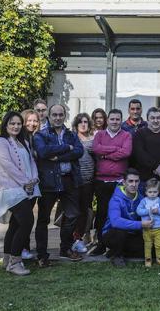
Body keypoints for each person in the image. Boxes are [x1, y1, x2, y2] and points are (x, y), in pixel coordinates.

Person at [34, 104, 84, 266]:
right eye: (54, 115)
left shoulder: (70, 134)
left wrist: (60, 156)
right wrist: (66, 148)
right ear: (49, 116)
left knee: (72, 215)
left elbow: (79, 151)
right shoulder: (41, 135)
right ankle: (42, 255)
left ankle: (65, 248)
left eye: (60, 114)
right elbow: (43, 152)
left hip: (69, 179)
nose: (57, 117)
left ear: (65, 116)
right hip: (48, 181)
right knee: (43, 219)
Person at [0, 112, 40, 275]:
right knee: (27, 221)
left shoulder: (23, 141)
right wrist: (26, 181)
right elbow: (7, 165)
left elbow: (32, 162)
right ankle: (15, 262)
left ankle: (7, 260)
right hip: (11, 189)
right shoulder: (0, 142)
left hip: (27, 188)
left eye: (19, 123)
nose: (16, 126)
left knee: (16, 224)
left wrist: (34, 178)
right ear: (6, 125)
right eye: (12, 123)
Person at [91, 108, 133, 256]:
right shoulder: (100, 135)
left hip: (119, 182)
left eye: (117, 119)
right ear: (107, 120)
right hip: (102, 181)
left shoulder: (126, 135)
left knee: (119, 215)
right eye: (112, 119)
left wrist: (105, 155)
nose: (115, 122)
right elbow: (96, 148)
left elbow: (126, 152)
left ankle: (116, 247)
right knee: (102, 214)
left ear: (121, 120)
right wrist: (116, 149)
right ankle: (101, 244)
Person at [132, 107, 160, 246]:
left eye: (158, 118)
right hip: (145, 179)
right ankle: (143, 238)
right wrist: (155, 166)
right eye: (152, 118)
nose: (156, 121)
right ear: (147, 119)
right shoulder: (140, 134)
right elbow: (139, 153)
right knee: (144, 209)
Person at [102, 168, 147, 267]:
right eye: (130, 181)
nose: (133, 184)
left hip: (131, 234)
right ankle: (117, 256)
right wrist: (141, 224)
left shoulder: (141, 198)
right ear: (124, 182)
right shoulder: (116, 199)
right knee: (120, 230)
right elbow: (115, 222)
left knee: (151, 251)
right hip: (112, 234)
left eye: (136, 181)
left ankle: (118, 251)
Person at [70, 113, 95, 254]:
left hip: (89, 181)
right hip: (74, 180)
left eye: (86, 122)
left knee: (85, 211)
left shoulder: (93, 139)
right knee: (73, 211)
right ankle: (71, 239)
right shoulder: (72, 138)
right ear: (76, 124)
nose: (83, 124)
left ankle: (79, 238)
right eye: (80, 122)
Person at [19, 109, 40, 259]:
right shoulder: (19, 139)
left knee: (26, 218)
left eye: (35, 121)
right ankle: (19, 249)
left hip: (33, 183)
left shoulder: (33, 138)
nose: (32, 124)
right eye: (29, 120)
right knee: (22, 219)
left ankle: (23, 248)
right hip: (21, 184)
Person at [136, 178, 160, 267]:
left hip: (158, 228)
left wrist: (158, 210)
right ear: (146, 192)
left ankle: (159, 258)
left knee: (159, 245)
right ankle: (148, 259)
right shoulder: (144, 201)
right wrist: (148, 211)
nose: (152, 194)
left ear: (158, 192)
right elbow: (138, 211)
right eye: (150, 192)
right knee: (148, 245)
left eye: (155, 192)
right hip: (147, 228)